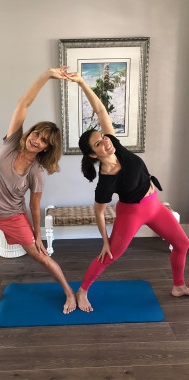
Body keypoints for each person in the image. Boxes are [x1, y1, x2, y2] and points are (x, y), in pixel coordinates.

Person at [0, 67, 78, 314]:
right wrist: (46, 75)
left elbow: (34, 206)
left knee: (40, 256)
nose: (37, 140)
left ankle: (69, 292)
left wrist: (37, 235)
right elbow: (23, 103)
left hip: (13, 218)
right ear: (30, 132)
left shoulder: (36, 172)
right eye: (36, 134)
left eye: (44, 141)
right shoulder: (11, 143)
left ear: (46, 148)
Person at [70, 71, 189, 312]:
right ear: (93, 155)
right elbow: (99, 212)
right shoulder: (105, 181)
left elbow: (101, 111)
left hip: (155, 205)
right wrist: (105, 242)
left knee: (182, 243)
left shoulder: (117, 145)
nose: (105, 141)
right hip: (132, 213)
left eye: (102, 136)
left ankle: (178, 285)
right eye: (98, 143)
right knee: (110, 256)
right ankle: (82, 290)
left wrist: (83, 82)